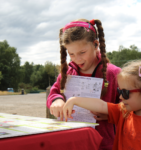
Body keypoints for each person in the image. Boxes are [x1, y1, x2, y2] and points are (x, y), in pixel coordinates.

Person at [47, 18, 121, 150]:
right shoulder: (67, 73)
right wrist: (56, 100)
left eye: (82, 52)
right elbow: (55, 92)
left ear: (95, 44)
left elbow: (131, 106)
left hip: (104, 145)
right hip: (71, 142)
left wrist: (112, 113)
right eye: (72, 54)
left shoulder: (114, 74)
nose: (77, 59)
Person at [63, 60, 141, 150]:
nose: (120, 96)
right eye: (119, 91)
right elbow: (101, 105)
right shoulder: (124, 111)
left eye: (125, 92)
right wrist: (74, 100)